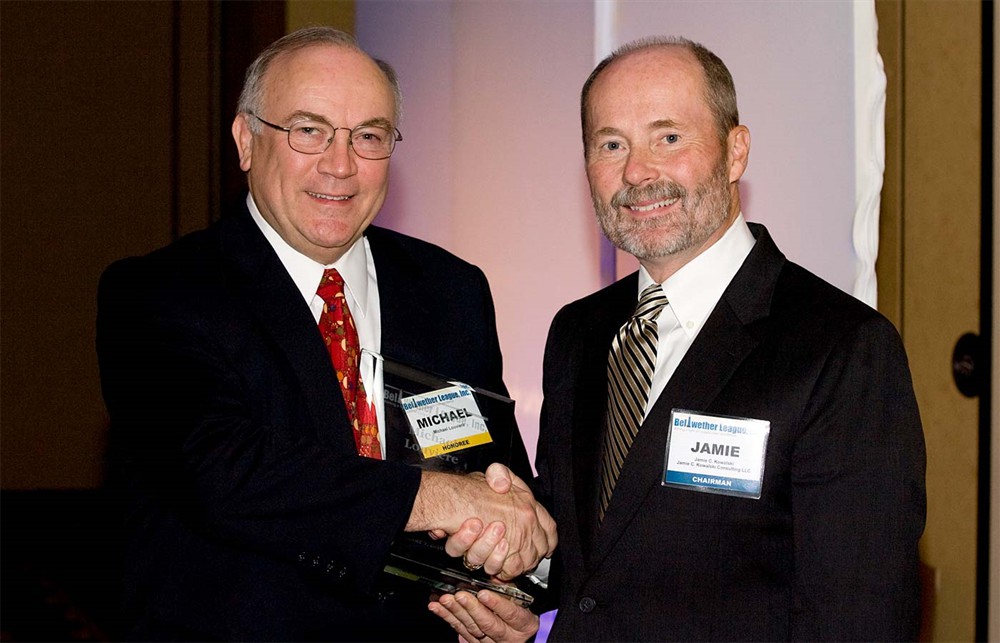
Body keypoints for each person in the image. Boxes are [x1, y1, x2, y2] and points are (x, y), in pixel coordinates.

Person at [430, 36, 926, 642]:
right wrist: (520, 593)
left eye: (668, 137)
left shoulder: (843, 348)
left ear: (735, 151)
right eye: (611, 144)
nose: (637, 172)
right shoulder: (578, 332)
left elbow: (859, 618)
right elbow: (590, 553)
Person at [96, 27, 555, 641]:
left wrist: (515, 587)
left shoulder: (450, 289)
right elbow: (225, 471)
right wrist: (437, 499)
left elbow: (493, 477)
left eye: (368, 136)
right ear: (246, 141)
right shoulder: (159, 293)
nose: (340, 165)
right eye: (308, 130)